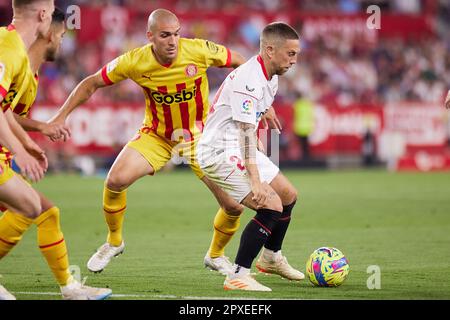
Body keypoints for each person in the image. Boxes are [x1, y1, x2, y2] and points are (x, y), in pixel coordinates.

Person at [47, 8, 249, 274]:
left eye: (176, 34)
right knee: (115, 180)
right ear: (150, 36)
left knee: (234, 205)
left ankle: (216, 254)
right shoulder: (134, 60)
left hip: (199, 136)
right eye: (165, 35)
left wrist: (249, 104)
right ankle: (114, 241)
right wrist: (60, 116)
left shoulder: (199, 50)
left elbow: (241, 62)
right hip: (157, 135)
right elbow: (92, 83)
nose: (173, 41)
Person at [0, 6, 112, 300]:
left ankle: (70, 288)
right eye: (61, 34)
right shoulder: (10, 51)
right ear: (44, 20)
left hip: (4, 154)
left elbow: (5, 110)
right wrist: (20, 148)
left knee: (44, 211)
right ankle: (70, 289)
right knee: (30, 207)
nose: (62, 41)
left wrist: (29, 139)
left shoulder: (24, 65)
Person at [196, 22, 304, 291]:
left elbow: (251, 119)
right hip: (219, 150)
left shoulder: (272, 77)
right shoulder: (248, 80)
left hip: (238, 145)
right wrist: (256, 180)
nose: (294, 60)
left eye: (296, 54)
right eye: (290, 54)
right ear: (270, 50)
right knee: (271, 204)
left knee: (289, 195)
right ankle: (238, 275)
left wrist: (265, 110)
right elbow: (245, 132)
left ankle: (271, 258)